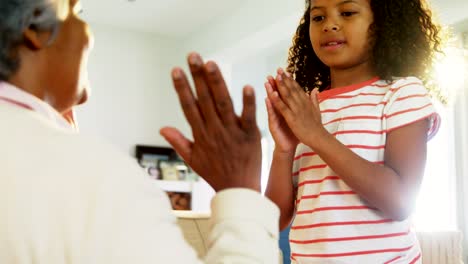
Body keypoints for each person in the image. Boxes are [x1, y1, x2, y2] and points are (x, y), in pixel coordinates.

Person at [0, 0, 280, 263]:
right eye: (77, 12)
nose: (88, 35)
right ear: (36, 27)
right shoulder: (96, 176)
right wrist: (240, 190)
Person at [264, 0, 442, 263]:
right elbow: (273, 221)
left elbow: (401, 201)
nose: (330, 25)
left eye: (347, 13)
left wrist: (318, 137)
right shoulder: (307, 110)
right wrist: (284, 150)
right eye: (318, 18)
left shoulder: (402, 93)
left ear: (382, 23)